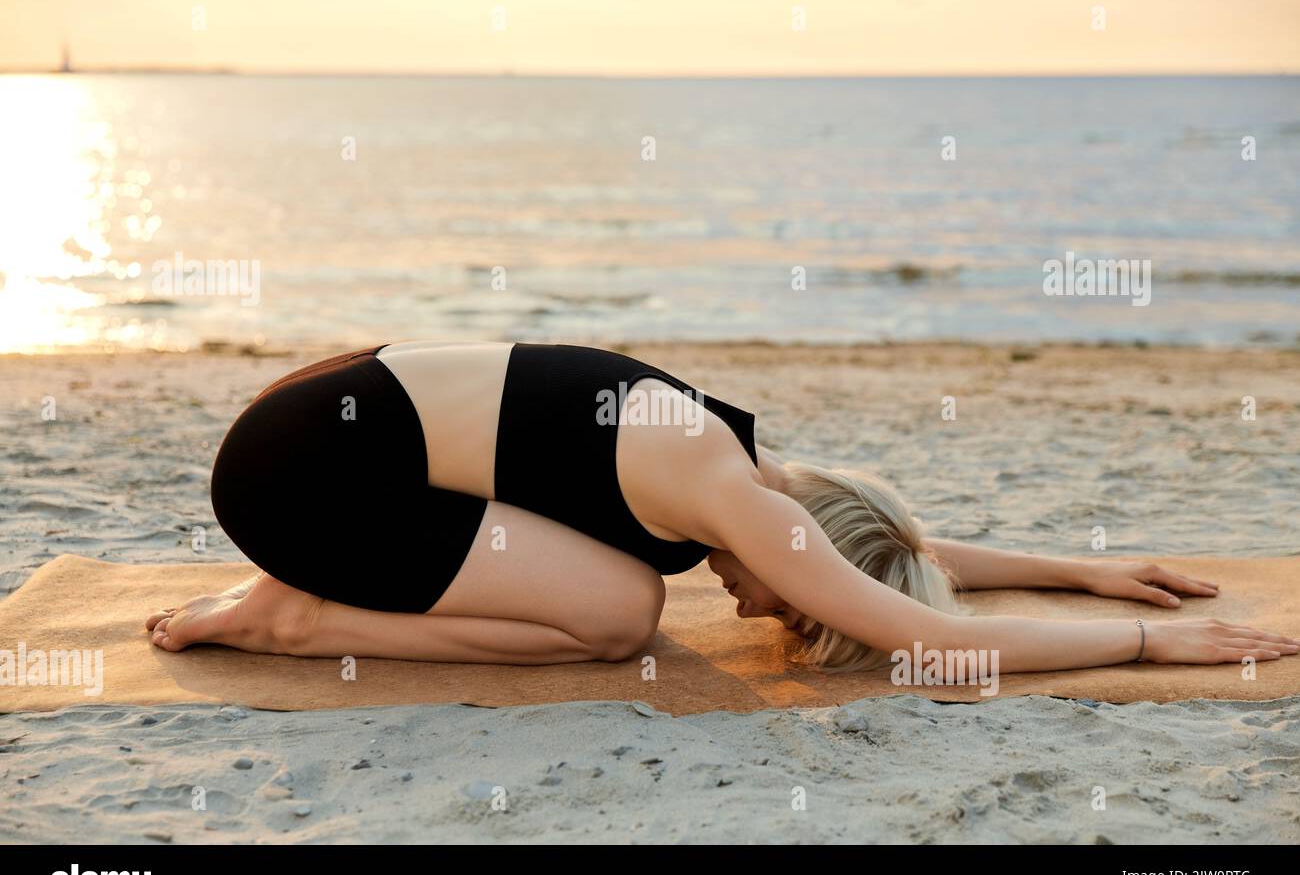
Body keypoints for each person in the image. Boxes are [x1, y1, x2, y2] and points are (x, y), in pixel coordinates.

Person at [147, 341, 1299, 674]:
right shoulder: (735, 501)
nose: (763, 614)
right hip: (303, 481)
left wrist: (1085, 568)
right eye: (796, 610)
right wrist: (1152, 638)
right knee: (616, 613)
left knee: (621, 594)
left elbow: (893, 550)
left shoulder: (735, 471)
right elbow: (936, 640)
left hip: (305, 437)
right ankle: (291, 617)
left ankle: (304, 593)